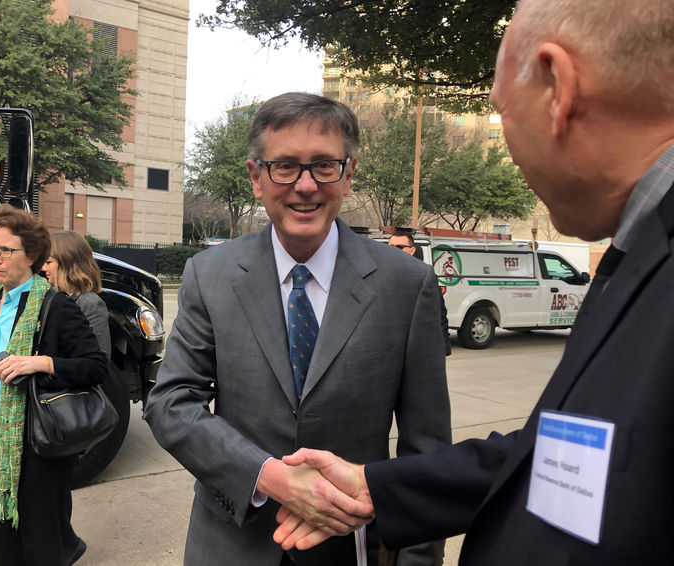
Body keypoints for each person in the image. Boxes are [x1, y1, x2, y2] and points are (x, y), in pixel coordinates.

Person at [273, 0, 674, 564]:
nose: (305, 185)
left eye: (502, 110)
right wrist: (376, 487)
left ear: (558, 89)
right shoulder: (644, 251)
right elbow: (563, 453)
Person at [143, 92, 451, 566]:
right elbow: (170, 404)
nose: (305, 185)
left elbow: (426, 450)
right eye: (284, 166)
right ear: (256, 177)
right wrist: (271, 477)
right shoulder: (211, 275)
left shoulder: (407, 285)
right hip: (230, 544)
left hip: (349, 549)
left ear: (348, 175)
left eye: (323, 166)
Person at [0, 205, 108, 566]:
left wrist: (41, 362)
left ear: (32, 255)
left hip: (37, 443)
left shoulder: (55, 306)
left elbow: (96, 367)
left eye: (6, 250)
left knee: (39, 543)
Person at [44, 231, 110, 355]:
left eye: (48, 262)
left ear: (67, 263)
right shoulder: (49, 296)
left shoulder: (90, 303)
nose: (43, 268)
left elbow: (100, 359)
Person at [388, 232, 451, 355]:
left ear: (412, 251)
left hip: (416, 351)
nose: (394, 250)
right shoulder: (376, 276)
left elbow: (439, 316)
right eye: (390, 247)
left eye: (399, 247)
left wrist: (443, 349)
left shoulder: (424, 278)